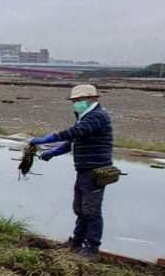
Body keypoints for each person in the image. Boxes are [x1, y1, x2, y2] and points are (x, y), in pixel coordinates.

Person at [28, 84, 114, 257]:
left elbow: (76, 132)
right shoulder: (85, 116)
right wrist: (53, 152)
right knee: (80, 209)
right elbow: (74, 141)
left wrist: (50, 138)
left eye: (80, 100)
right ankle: (76, 243)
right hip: (84, 170)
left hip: (95, 170)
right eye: (75, 101)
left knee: (91, 210)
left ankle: (91, 248)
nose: (76, 104)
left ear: (93, 99)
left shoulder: (97, 116)